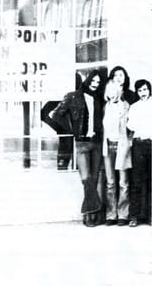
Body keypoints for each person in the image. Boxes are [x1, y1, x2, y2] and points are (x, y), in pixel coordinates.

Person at [51, 70, 104, 227]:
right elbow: (56, 115)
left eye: (98, 82)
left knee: (94, 179)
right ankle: (90, 215)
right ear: (87, 80)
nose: (95, 84)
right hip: (81, 143)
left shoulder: (98, 98)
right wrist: (71, 131)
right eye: (93, 81)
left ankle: (92, 215)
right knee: (86, 179)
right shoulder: (73, 96)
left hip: (96, 142)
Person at [126, 79, 152, 227]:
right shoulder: (134, 107)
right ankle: (134, 216)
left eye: (145, 90)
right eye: (140, 91)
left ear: (149, 90)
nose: (143, 93)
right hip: (139, 144)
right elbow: (131, 125)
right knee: (137, 180)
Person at [101, 80, 131, 226]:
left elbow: (131, 128)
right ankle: (111, 214)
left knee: (123, 182)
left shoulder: (126, 107)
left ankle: (123, 214)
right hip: (108, 147)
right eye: (110, 91)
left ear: (119, 91)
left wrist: (128, 144)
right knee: (110, 182)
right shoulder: (106, 107)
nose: (112, 94)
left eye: (115, 91)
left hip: (122, 147)